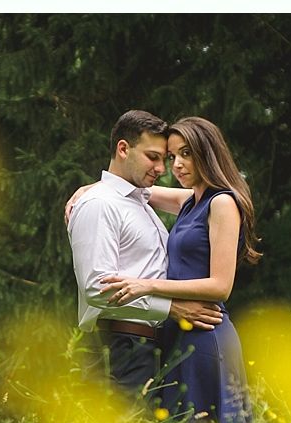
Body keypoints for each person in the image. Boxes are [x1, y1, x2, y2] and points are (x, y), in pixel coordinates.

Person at [98, 116, 261, 423]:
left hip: (205, 332)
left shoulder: (222, 203)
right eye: (172, 157)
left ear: (207, 152)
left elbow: (221, 286)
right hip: (180, 334)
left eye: (186, 154)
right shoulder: (192, 201)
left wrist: (147, 286)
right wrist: (88, 190)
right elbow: (131, 188)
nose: (177, 165)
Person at [67, 110, 224, 396]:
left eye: (164, 159)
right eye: (153, 157)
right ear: (123, 149)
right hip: (119, 346)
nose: (163, 169)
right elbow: (96, 289)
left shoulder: (139, 202)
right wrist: (172, 308)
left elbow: (216, 197)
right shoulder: (99, 205)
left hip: (149, 346)